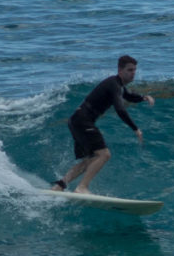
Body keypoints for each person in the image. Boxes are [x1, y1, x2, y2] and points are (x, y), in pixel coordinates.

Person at [51, 55, 153, 195]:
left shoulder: (117, 85)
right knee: (104, 155)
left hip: (76, 121)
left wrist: (143, 98)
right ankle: (82, 187)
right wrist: (135, 129)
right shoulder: (114, 85)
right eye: (129, 70)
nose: (133, 73)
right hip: (83, 120)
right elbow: (120, 109)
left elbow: (128, 95)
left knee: (90, 160)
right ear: (120, 70)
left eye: (134, 70)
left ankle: (60, 186)